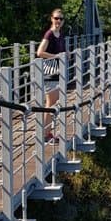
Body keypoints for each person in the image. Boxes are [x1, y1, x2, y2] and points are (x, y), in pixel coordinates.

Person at [36, 8, 66, 142]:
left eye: (61, 19)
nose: (58, 21)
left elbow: (62, 51)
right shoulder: (49, 34)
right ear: (51, 19)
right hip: (49, 71)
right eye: (56, 18)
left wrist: (67, 54)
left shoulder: (60, 34)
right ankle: (45, 134)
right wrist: (55, 56)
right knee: (50, 103)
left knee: (52, 102)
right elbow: (40, 52)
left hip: (57, 71)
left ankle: (47, 133)